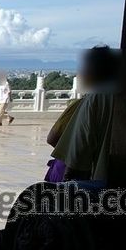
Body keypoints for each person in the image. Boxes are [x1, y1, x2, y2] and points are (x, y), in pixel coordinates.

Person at [51, 45, 121, 181]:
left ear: (94, 70)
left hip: (101, 183)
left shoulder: (95, 98)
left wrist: (69, 182)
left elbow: (78, 154)